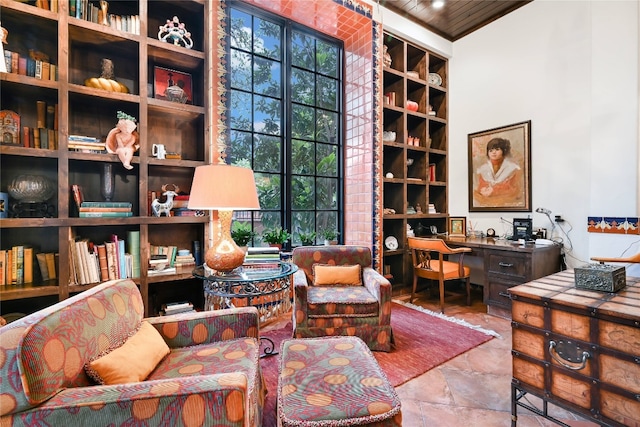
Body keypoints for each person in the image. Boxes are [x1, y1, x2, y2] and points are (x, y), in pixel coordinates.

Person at [474, 137, 523, 206]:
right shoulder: (483, 169)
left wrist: (494, 190)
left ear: (503, 151)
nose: (493, 152)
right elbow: (480, 186)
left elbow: (514, 190)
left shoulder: (512, 168)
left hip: (505, 202)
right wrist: (483, 189)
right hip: (486, 203)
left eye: (497, 149)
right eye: (491, 150)